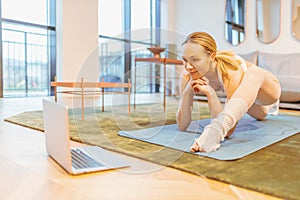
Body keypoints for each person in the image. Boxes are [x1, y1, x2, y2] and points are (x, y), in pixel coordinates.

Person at [176, 31, 281, 153]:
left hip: (268, 91)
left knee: (254, 73)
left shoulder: (230, 71)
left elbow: (228, 131)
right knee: (262, 116)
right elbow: (182, 126)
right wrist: (187, 92)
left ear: (211, 56)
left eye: (195, 59)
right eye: (184, 60)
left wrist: (211, 94)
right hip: (249, 100)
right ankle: (265, 110)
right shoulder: (187, 75)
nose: (188, 67)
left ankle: (213, 132)